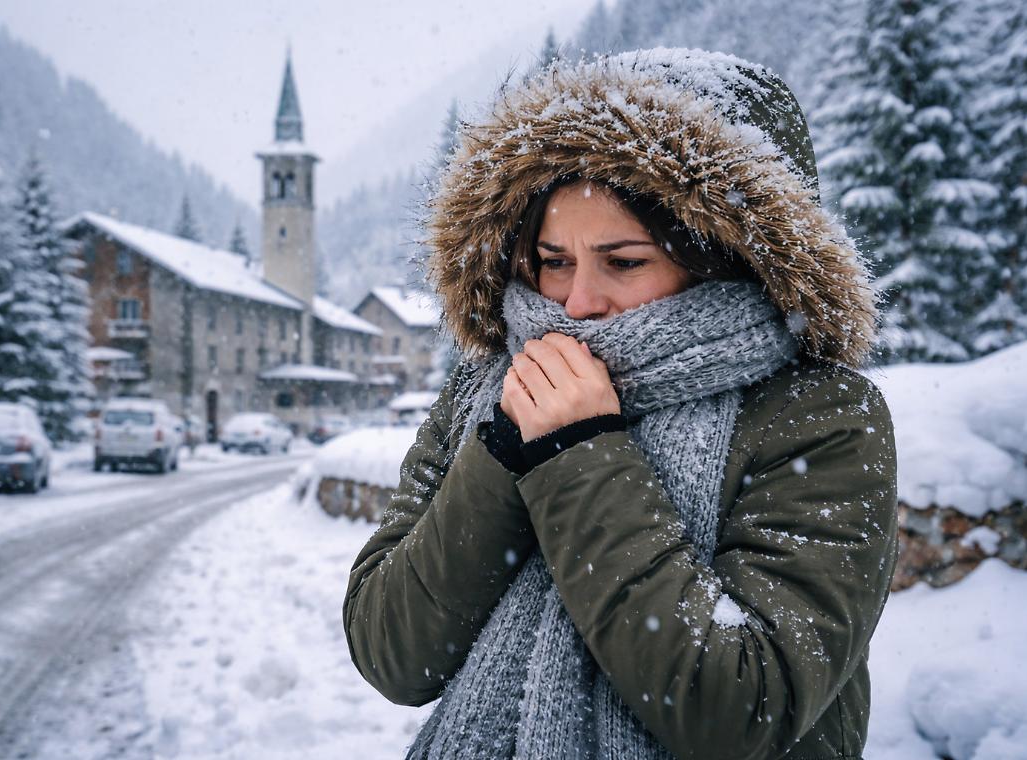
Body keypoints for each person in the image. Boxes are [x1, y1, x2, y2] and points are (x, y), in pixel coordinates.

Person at [343, 48, 898, 760]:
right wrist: (506, 450)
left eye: (624, 261)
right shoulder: (487, 391)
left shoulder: (821, 417)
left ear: (728, 255)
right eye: (554, 260)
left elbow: (741, 709)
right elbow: (393, 652)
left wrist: (576, 452)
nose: (577, 303)